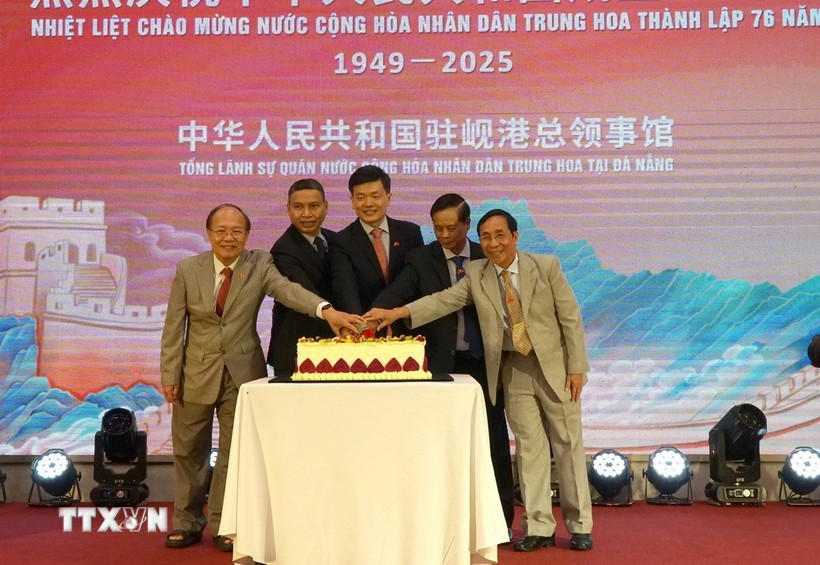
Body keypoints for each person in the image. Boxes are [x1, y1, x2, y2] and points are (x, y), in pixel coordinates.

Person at [365, 209, 594, 552]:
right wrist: (399, 313)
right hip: (513, 369)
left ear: (515, 237)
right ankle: (538, 527)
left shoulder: (545, 266)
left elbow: (571, 318)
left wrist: (577, 367)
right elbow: (442, 301)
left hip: (556, 369)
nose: (493, 243)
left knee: (567, 444)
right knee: (529, 449)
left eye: (500, 235)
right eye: (486, 237)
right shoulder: (476, 273)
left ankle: (579, 526)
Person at [160, 203, 363, 552]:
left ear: (247, 235)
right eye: (221, 230)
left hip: (243, 374)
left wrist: (326, 310)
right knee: (189, 451)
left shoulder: (259, 265)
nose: (228, 237)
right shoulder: (187, 270)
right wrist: (169, 373)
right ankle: (186, 522)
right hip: (194, 372)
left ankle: (226, 524)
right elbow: (174, 327)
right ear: (209, 234)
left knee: (232, 453)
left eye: (236, 231)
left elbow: (288, 291)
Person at [371, 194, 515, 533]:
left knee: (493, 441)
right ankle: (438, 522)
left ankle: (500, 521)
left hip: (484, 364)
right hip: (437, 366)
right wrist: (371, 315)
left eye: (452, 228)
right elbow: (399, 295)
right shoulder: (420, 259)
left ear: (468, 226)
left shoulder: (488, 255)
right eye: (438, 228)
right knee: (436, 446)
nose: (445, 235)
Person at [330, 165, 424, 331]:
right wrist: (363, 326)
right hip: (363, 331)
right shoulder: (341, 241)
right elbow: (345, 289)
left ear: (389, 197)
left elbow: (414, 280)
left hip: (408, 330)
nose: (368, 203)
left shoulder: (411, 233)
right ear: (351, 201)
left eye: (375, 196)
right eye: (361, 198)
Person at [267, 179, 335, 376]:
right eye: (298, 207)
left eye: (314, 206)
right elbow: (306, 293)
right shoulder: (282, 249)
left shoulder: (335, 240)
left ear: (326, 206)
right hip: (296, 352)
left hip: (334, 348)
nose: (306, 214)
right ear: (288, 209)